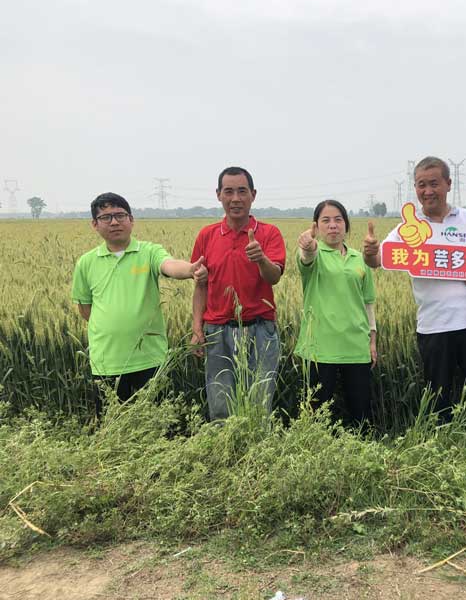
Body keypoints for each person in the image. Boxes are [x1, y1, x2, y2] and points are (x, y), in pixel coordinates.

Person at [363, 156, 466, 416]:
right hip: (434, 324)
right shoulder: (408, 228)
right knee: (438, 397)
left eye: (434, 183)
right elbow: (377, 260)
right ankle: (443, 447)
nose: (427, 191)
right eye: (421, 185)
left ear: (448, 183)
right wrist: (369, 251)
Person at [72, 192, 207, 411]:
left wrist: (190, 270)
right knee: (111, 426)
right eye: (106, 217)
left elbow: (169, 265)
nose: (114, 221)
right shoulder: (86, 263)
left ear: (131, 220)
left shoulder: (148, 252)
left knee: (159, 424)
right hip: (106, 361)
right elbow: (85, 308)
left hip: (150, 359)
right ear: (94, 224)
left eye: (120, 215)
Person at [190, 167, 286, 420]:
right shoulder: (207, 235)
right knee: (220, 401)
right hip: (217, 330)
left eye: (242, 191)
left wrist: (261, 259)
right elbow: (200, 284)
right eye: (228, 191)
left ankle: (256, 455)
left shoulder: (269, 233)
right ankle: (226, 454)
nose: (235, 198)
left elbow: (273, 276)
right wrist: (197, 329)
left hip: (260, 329)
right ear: (218, 195)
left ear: (253, 195)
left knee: (259, 400)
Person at [295, 199, 377, 425]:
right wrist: (307, 247)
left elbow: (368, 302)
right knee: (317, 416)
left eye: (338, 220)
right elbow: (306, 259)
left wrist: (372, 341)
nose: (333, 225)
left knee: (362, 414)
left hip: (356, 346)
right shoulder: (315, 254)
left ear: (346, 225)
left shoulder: (359, 259)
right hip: (319, 348)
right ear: (317, 226)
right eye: (326, 220)